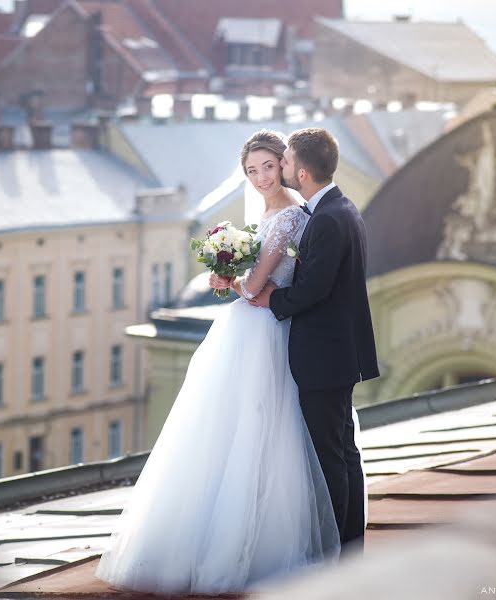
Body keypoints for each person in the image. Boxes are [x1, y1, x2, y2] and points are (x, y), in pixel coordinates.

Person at [95, 131, 340, 595]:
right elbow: (251, 281)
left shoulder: (290, 215)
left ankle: (248, 546)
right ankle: (213, 537)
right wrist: (229, 274)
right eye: (252, 171)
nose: (262, 177)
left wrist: (229, 279)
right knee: (225, 429)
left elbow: (256, 285)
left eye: (269, 166)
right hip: (249, 329)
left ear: (285, 165)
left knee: (260, 428)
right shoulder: (269, 213)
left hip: (266, 330)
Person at [247, 128, 380, 557]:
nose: (278, 168)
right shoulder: (339, 210)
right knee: (342, 450)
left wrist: (272, 298)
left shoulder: (326, 219)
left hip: (325, 355)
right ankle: (350, 543)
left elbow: (313, 289)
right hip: (338, 352)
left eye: (281, 162)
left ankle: (339, 550)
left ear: (301, 171)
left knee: (331, 455)